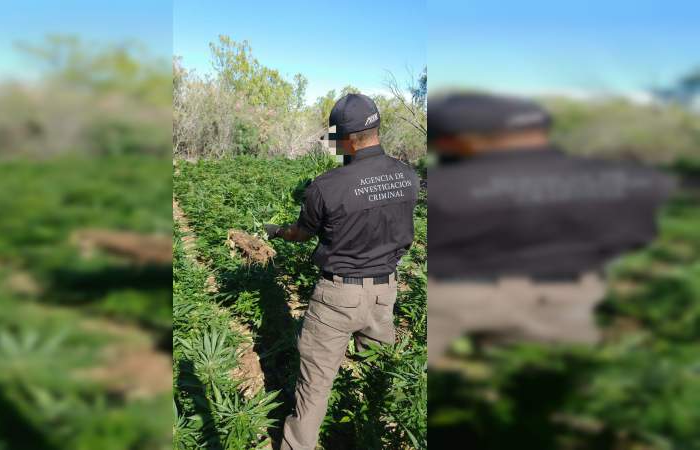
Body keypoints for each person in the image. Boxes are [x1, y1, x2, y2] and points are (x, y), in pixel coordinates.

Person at [426, 92, 676, 367]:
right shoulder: (636, 181)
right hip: (565, 300)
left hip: (452, 297)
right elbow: (637, 238)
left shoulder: (444, 189)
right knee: (553, 387)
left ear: (463, 140)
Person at [265, 93, 419, 450]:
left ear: (346, 138)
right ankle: (377, 438)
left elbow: (302, 234)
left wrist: (280, 231)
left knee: (315, 386)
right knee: (379, 374)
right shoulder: (408, 176)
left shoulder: (326, 186)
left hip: (338, 297)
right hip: (385, 293)